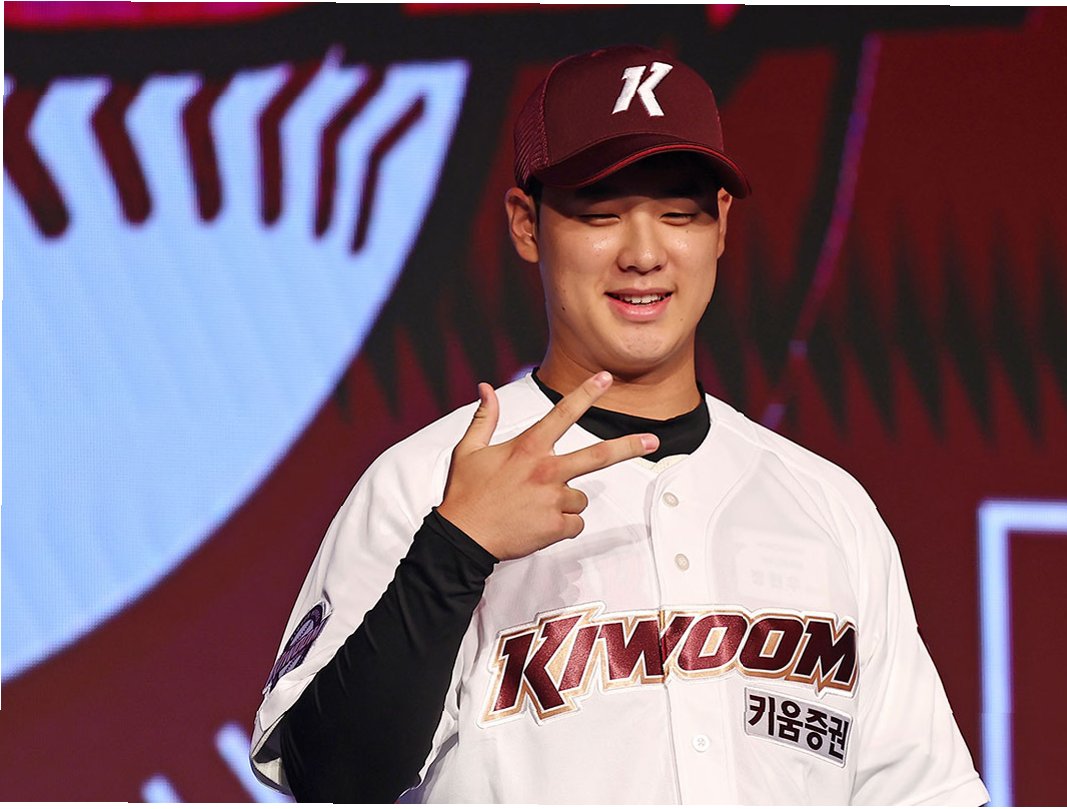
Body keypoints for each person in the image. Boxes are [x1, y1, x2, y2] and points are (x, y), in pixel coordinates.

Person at [250, 44, 989, 805]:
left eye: (677, 213)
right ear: (527, 225)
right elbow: (329, 780)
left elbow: (922, 793)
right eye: (599, 213)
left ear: (720, 225)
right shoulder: (426, 481)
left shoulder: (826, 504)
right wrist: (454, 550)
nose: (643, 253)